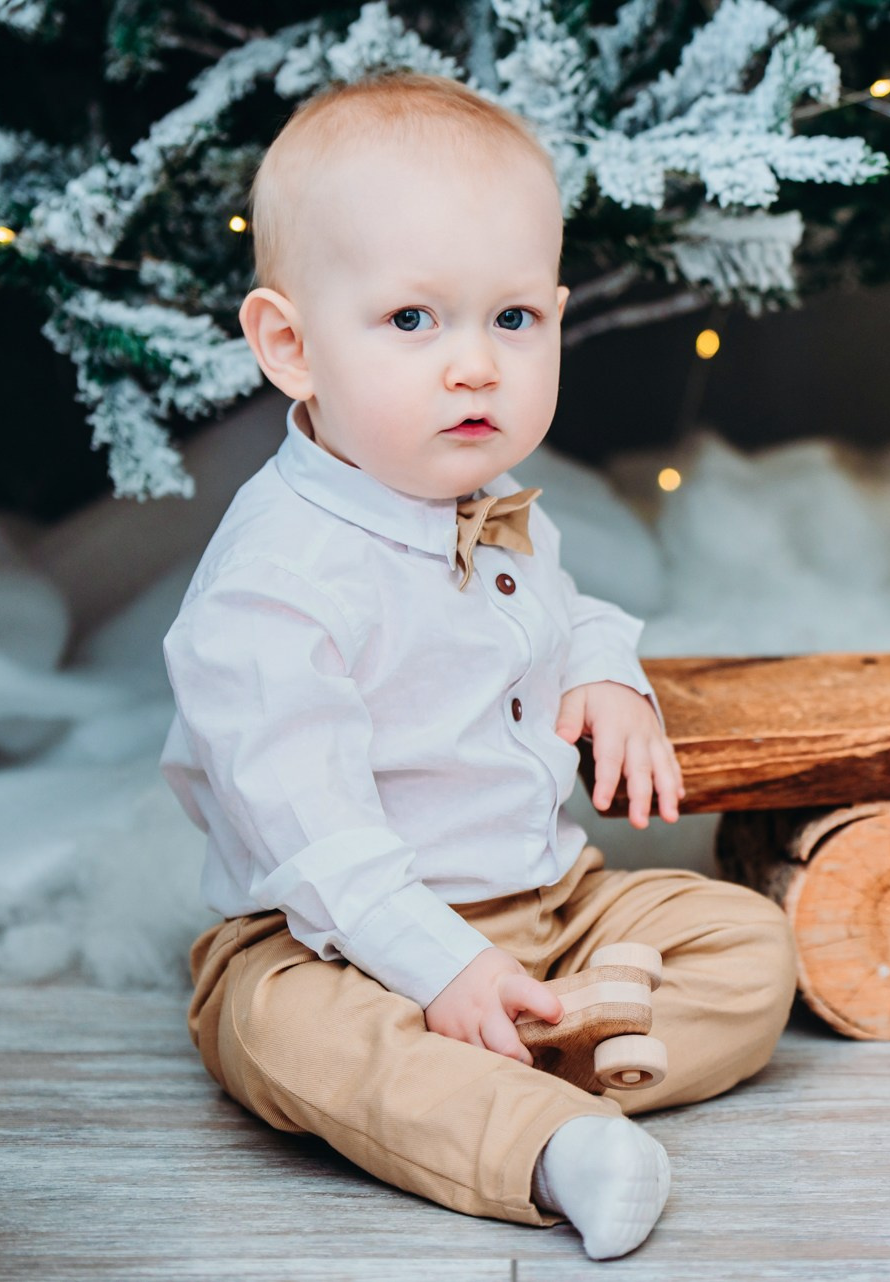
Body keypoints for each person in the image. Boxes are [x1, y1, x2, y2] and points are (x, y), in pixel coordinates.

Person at [157, 71, 798, 1261]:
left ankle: (504, 1066)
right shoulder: (274, 583)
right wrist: (440, 963)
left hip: (550, 901)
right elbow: (314, 837)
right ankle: (546, 1143)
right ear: (291, 345)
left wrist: (604, 667)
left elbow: (563, 608)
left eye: (512, 320)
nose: (475, 367)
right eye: (413, 320)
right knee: (293, 1037)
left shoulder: (485, 497)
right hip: (332, 941)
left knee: (751, 951)